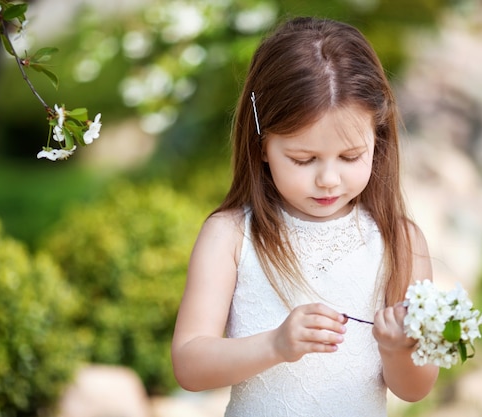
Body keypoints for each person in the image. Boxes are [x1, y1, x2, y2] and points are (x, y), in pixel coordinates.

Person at [171, 16, 439, 417]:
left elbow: (416, 389)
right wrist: (275, 345)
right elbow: (189, 365)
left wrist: (397, 348)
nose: (328, 179)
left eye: (350, 157)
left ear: (377, 139)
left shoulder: (398, 240)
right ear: (262, 145)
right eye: (303, 159)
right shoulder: (230, 235)